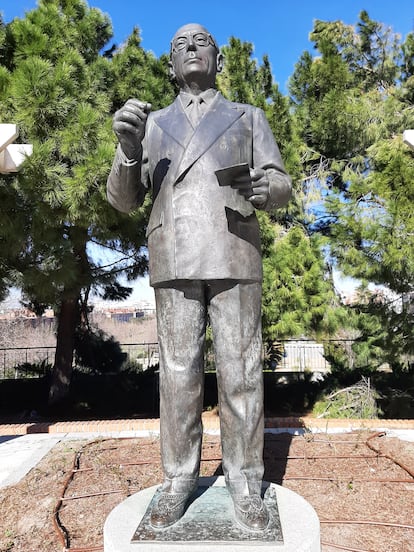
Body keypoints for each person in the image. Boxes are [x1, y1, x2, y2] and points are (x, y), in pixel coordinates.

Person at [107, 23, 291, 531]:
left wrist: (265, 188)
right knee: (179, 375)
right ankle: (177, 480)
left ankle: (245, 481)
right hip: (175, 253)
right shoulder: (151, 124)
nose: (191, 47)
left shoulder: (247, 117)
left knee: (241, 372)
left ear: (219, 59)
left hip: (234, 250)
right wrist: (125, 150)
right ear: (171, 64)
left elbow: (281, 183)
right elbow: (124, 200)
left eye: (202, 41)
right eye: (180, 44)